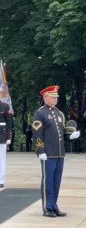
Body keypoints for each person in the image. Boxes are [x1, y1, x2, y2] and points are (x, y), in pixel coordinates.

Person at [32, 85, 80, 217]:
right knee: (48, 180)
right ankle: (47, 207)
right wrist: (40, 150)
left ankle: (54, 205)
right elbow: (37, 134)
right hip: (47, 153)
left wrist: (70, 136)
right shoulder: (40, 113)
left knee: (56, 181)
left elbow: (62, 132)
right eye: (53, 97)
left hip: (59, 153)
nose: (55, 100)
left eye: (56, 97)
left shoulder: (59, 113)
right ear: (45, 97)